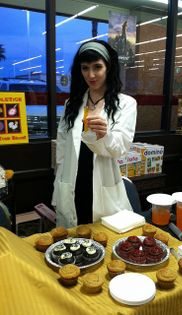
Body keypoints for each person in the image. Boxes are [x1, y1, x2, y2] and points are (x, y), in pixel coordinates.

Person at [52, 40, 137, 228]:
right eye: (85, 68)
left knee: (101, 239)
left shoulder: (126, 104)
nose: (91, 75)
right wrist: (60, 183)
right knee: (74, 239)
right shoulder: (71, 105)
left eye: (97, 67)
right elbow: (63, 148)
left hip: (101, 183)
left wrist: (105, 135)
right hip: (72, 181)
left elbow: (121, 148)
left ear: (108, 67)